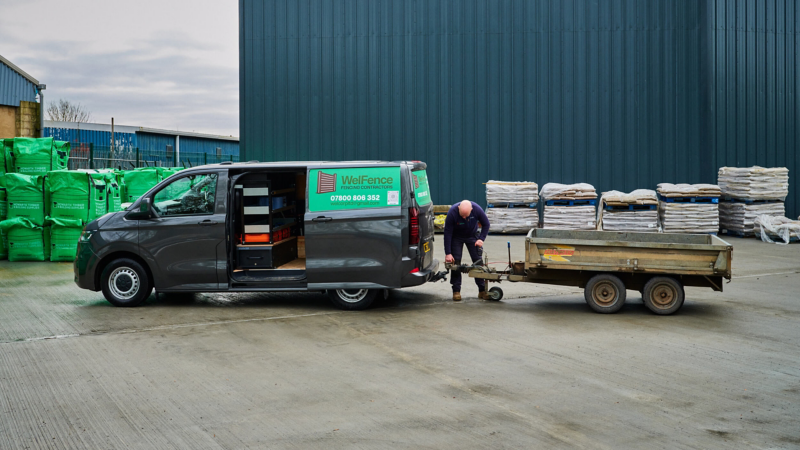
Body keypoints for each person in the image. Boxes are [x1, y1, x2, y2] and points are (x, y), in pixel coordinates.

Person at [443, 200, 490, 301]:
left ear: (471, 210)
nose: (464, 218)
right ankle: (456, 291)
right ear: (459, 208)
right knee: (456, 262)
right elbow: (447, 233)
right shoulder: (452, 212)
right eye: (462, 216)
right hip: (456, 237)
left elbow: (486, 224)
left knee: (478, 262)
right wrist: (448, 253)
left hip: (472, 236)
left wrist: (481, 239)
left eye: (466, 216)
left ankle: (482, 290)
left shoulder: (477, 209)